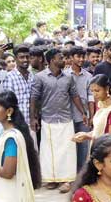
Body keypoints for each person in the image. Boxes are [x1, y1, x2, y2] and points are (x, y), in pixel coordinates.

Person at [30, 48, 87, 193]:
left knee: (67, 150)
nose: (64, 60)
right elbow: (34, 98)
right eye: (60, 57)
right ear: (51, 61)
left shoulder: (68, 77)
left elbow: (74, 96)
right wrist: (33, 118)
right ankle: (52, 179)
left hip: (66, 118)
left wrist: (83, 112)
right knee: (49, 151)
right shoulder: (40, 77)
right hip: (48, 119)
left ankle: (66, 180)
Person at [72, 74, 111, 152]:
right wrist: (86, 134)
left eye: (97, 90)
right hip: (100, 148)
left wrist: (88, 136)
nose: (94, 94)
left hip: (108, 152)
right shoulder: (101, 104)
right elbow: (99, 130)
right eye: (92, 91)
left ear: (107, 89)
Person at [65, 46, 94, 172]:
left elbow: (91, 97)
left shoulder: (88, 76)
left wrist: (92, 115)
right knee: (69, 145)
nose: (81, 59)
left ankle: (82, 171)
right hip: (68, 115)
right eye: (78, 56)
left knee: (83, 145)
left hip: (84, 115)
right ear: (71, 58)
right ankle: (70, 173)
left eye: (83, 56)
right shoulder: (64, 75)